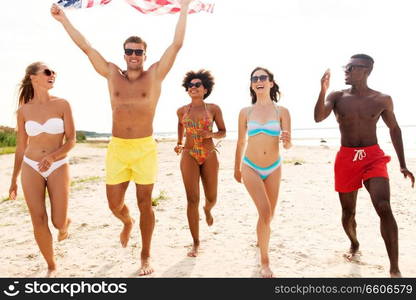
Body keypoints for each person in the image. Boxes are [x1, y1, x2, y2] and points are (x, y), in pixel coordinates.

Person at [51, 0, 192, 276]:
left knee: (144, 204)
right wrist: (64, 20)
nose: (134, 55)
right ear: (124, 53)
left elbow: (176, 45)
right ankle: (126, 223)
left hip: (144, 149)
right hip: (117, 148)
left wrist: (184, 7)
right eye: (129, 51)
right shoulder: (112, 74)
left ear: (145, 53)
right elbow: (86, 48)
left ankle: (145, 255)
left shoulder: (155, 75)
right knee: (114, 204)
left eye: (138, 51)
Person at [314, 54, 415, 278]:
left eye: (351, 67)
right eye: (346, 67)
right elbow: (319, 117)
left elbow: (394, 129)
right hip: (346, 158)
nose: (346, 71)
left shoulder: (382, 99)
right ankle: (354, 242)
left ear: (366, 70)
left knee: (384, 207)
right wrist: (322, 90)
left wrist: (402, 164)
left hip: (373, 157)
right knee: (348, 213)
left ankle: (394, 270)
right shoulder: (337, 96)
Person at [8, 62, 75, 277]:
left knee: (58, 221)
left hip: (58, 164)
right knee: (37, 218)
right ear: (33, 77)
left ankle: (65, 226)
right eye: (47, 71)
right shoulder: (24, 111)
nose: (52, 74)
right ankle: (51, 265)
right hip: (31, 165)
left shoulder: (63, 104)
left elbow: (71, 140)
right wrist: (13, 180)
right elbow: (20, 148)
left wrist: (53, 156)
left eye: (54, 71)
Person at [234, 67, 292, 278]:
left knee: (268, 215)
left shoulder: (282, 112)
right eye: (254, 78)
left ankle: (261, 236)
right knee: (265, 212)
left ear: (271, 83)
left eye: (262, 77)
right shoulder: (245, 112)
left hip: (274, 167)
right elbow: (241, 141)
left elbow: (287, 145)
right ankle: (265, 262)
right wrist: (236, 167)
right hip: (251, 166)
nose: (258, 80)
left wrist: (287, 142)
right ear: (252, 85)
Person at [174, 70, 226, 257]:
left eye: (197, 85)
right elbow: (180, 125)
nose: (193, 87)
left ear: (205, 89)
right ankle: (195, 243)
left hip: (209, 154)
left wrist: (210, 134)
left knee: (211, 198)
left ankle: (208, 209)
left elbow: (223, 131)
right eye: (190, 85)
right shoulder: (181, 111)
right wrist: (179, 142)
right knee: (192, 199)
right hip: (189, 155)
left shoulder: (213, 109)